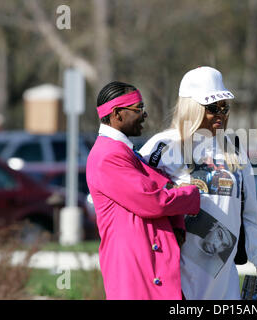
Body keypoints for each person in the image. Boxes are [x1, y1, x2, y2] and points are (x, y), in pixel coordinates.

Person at [140, 66, 257, 300]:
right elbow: (140, 200)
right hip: (177, 273)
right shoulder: (162, 146)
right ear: (192, 107)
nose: (221, 114)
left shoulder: (234, 149)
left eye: (225, 107)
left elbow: (250, 213)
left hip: (224, 278)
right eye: (212, 108)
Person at [86, 81, 201, 300]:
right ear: (117, 114)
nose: (144, 115)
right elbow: (153, 202)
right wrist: (191, 194)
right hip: (134, 267)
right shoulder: (107, 156)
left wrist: (176, 223)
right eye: (139, 109)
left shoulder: (123, 151)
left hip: (147, 262)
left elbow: (162, 187)